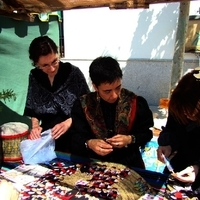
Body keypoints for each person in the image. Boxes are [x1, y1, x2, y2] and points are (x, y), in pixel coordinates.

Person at [68, 56, 153, 168]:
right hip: (95, 164)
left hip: (129, 164)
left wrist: (129, 139)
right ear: (95, 87)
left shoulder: (135, 103)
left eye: (118, 87)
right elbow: (74, 136)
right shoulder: (83, 105)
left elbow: (146, 133)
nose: (114, 95)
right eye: (107, 91)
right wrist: (90, 143)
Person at [24, 36, 90, 151]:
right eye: (45, 65)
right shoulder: (35, 76)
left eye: (54, 61)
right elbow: (32, 106)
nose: (52, 68)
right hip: (48, 137)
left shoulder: (73, 73)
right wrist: (35, 126)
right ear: (36, 63)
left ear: (57, 53)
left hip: (74, 134)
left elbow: (87, 106)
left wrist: (68, 122)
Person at [157, 68, 200, 190]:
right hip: (180, 166)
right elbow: (172, 129)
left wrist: (197, 168)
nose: (186, 114)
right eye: (183, 111)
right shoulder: (178, 104)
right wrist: (168, 145)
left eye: (192, 111)